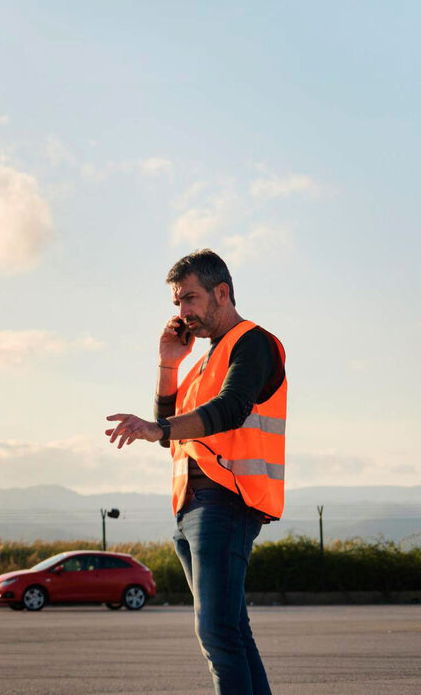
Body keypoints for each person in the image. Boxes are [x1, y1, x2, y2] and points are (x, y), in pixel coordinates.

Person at [104, 249, 286, 695]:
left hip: (227, 500)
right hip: (192, 508)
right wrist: (170, 362)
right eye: (177, 304)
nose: (183, 312)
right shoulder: (206, 360)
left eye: (190, 298)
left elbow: (228, 410)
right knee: (232, 633)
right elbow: (170, 425)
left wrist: (156, 427)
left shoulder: (253, 342)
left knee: (217, 634)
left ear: (221, 293)